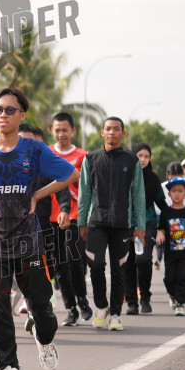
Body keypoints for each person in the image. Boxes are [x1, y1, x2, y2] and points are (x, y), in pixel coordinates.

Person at [0, 87, 79, 370]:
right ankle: (10, 368)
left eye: (9, 110)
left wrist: (37, 195)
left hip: (27, 240)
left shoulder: (34, 150)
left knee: (41, 306)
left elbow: (71, 175)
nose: (2, 115)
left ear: (21, 115)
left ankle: (45, 340)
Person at [77, 117, 145, 332]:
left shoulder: (132, 161)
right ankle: (101, 307)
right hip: (96, 222)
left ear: (123, 133)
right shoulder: (91, 158)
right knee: (96, 265)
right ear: (102, 132)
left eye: (116, 129)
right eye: (108, 129)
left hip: (123, 224)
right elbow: (84, 192)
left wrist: (140, 226)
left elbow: (138, 195)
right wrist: (81, 221)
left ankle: (115, 314)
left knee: (119, 270)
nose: (112, 132)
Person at [17, 123, 71, 331]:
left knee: (40, 268)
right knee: (18, 269)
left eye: (29, 141)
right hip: (12, 227)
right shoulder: (3, 165)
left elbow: (63, 184)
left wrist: (64, 209)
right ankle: (32, 305)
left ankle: (38, 307)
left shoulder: (44, 164)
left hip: (41, 226)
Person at [48, 113, 92, 326]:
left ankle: (82, 298)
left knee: (74, 259)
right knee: (59, 264)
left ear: (72, 130)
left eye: (64, 130)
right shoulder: (46, 153)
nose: (61, 134)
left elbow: (88, 187)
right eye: (57, 130)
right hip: (50, 216)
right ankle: (71, 308)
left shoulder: (83, 156)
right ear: (52, 130)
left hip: (74, 215)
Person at [124, 143, 168, 315]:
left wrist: (163, 227)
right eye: (140, 155)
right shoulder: (125, 174)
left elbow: (162, 204)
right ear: (133, 156)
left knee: (143, 260)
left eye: (146, 156)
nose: (143, 159)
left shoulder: (153, 178)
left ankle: (145, 298)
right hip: (126, 225)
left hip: (147, 224)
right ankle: (132, 302)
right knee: (128, 263)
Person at [156, 177, 185, 316]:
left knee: (183, 277)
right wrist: (160, 233)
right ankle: (173, 295)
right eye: (174, 191)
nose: (177, 194)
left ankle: (181, 303)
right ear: (169, 194)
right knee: (169, 279)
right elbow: (162, 228)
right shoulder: (166, 213)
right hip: (170, 252)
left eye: (180, 191)